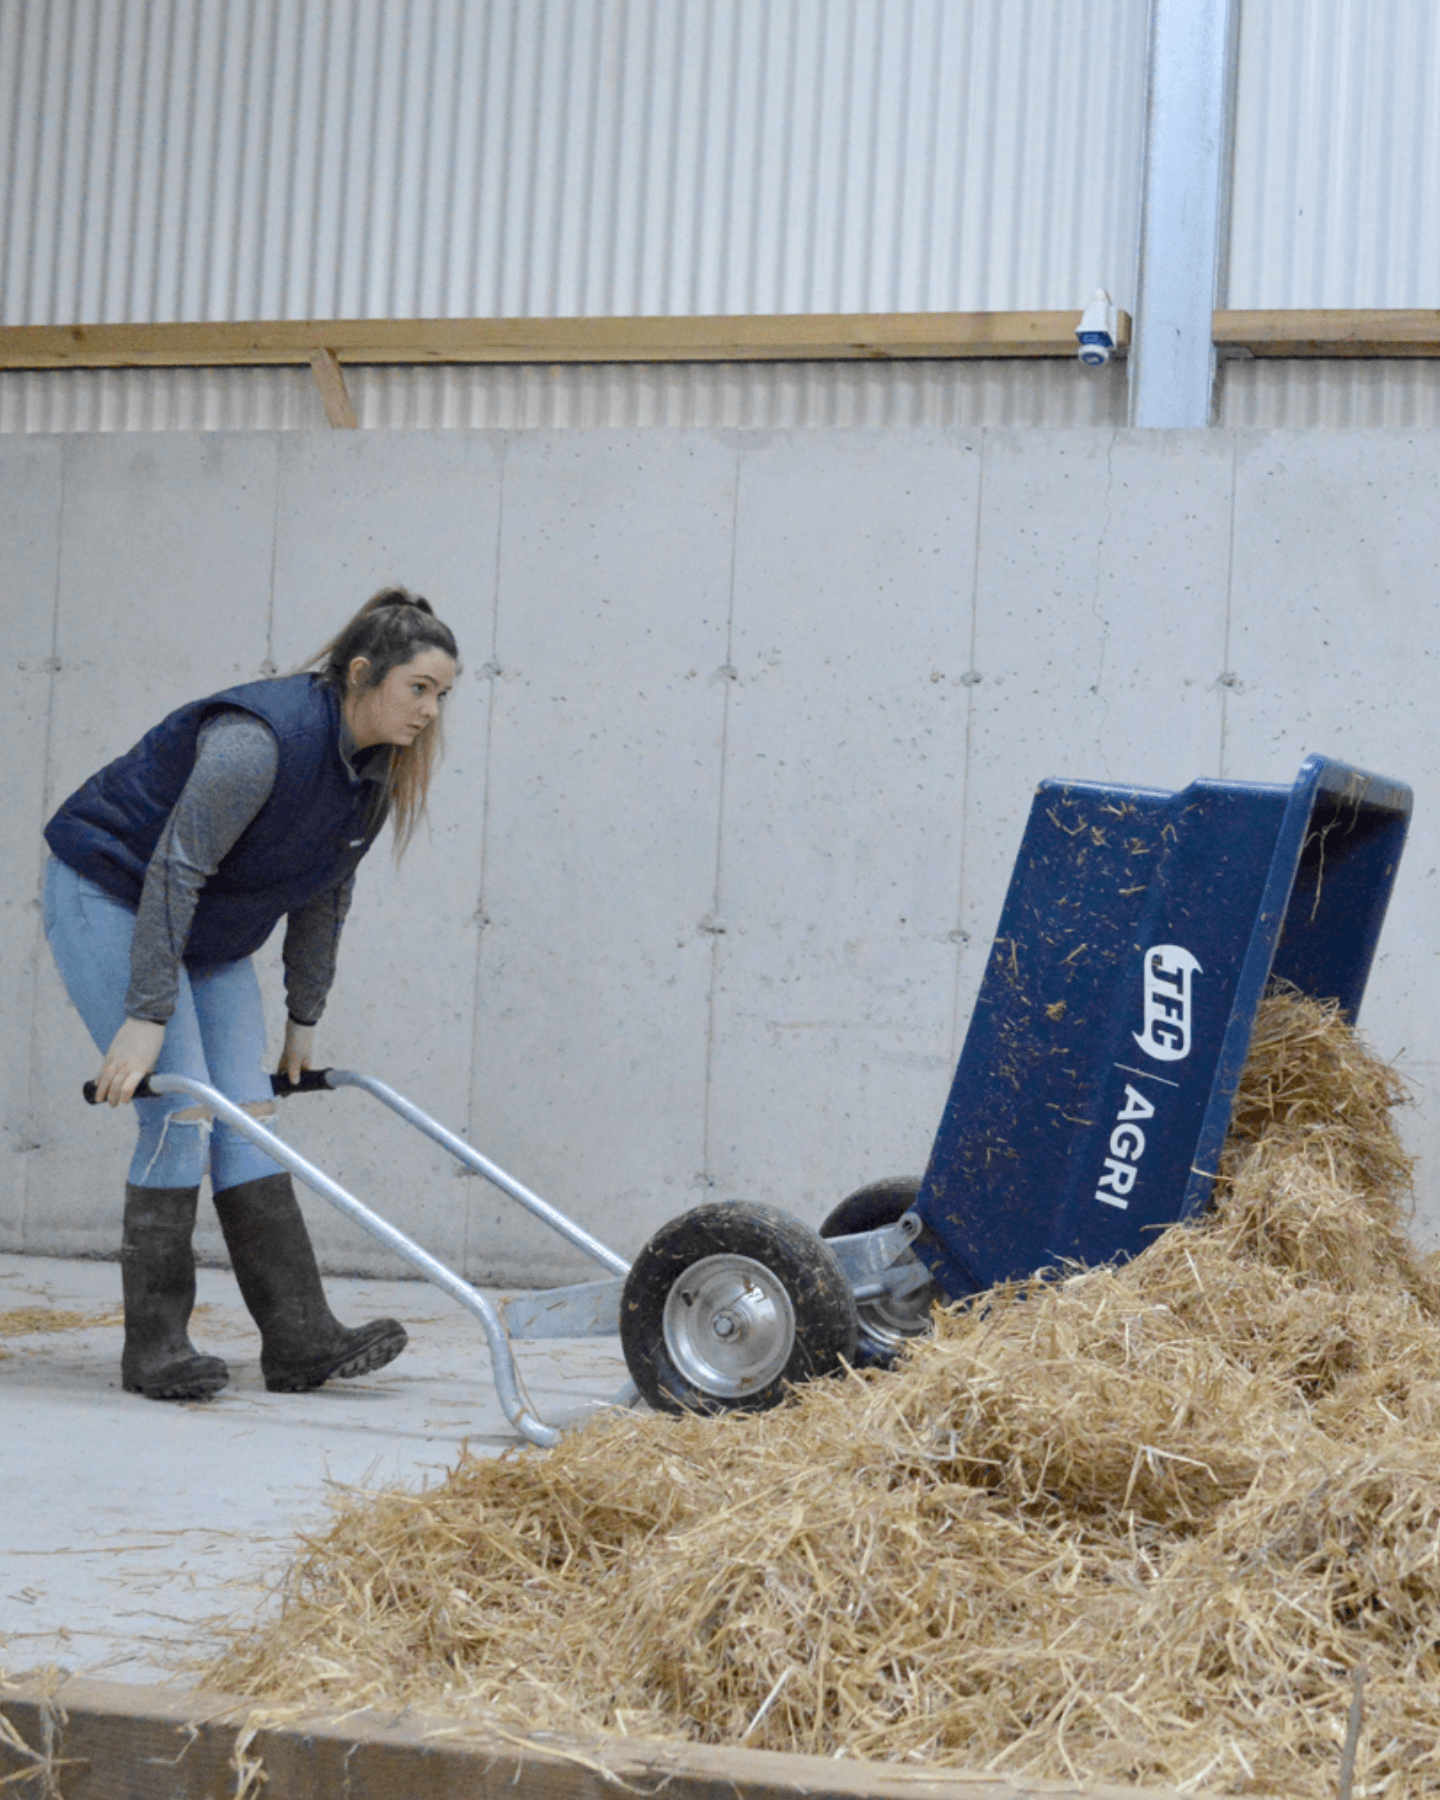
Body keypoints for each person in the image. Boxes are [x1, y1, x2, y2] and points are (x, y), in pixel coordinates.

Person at [42, 588, 460, 1402]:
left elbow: (324, 894)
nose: (431, 711)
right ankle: (155, 1350)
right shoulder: (260, 741)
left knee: (251, 1121)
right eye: (419, 689)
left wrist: (304, 1021)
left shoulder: (371, 776)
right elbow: (174, 869)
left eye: (443, 695)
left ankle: (300, 1339)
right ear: (362, 674)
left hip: (211, 925)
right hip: (114, 890)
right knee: (184, 1109)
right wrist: (144, 1016)